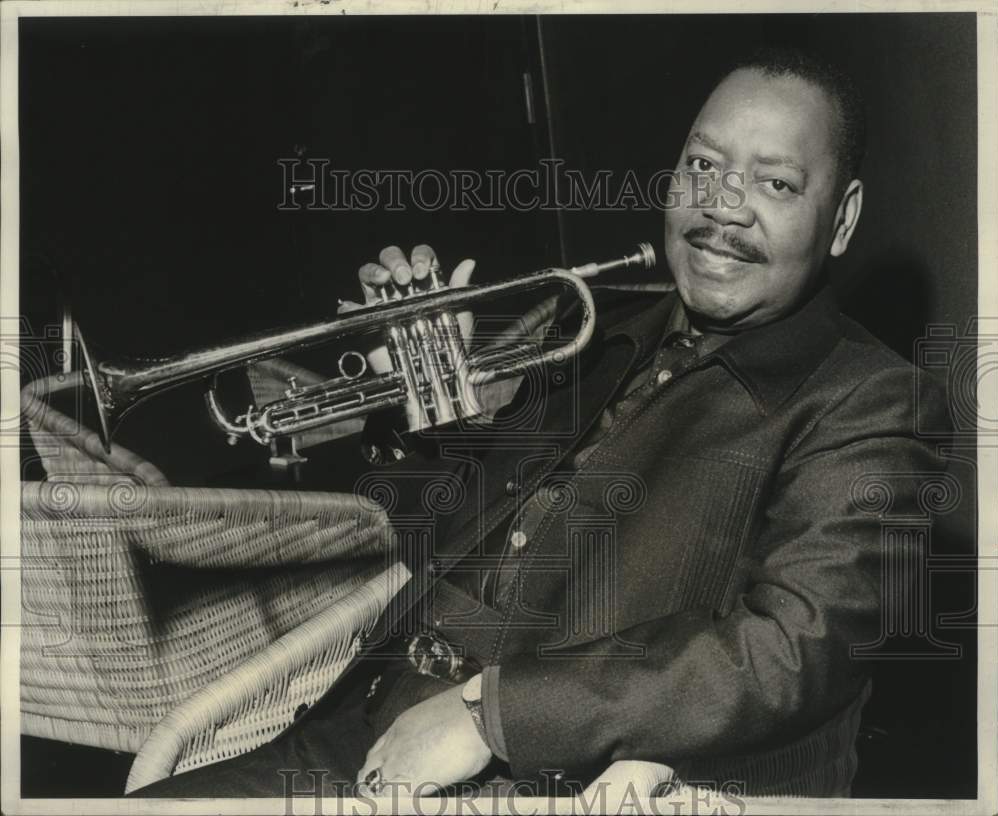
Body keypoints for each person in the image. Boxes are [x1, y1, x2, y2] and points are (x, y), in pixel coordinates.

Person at [133, 46, 947, 799]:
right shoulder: (598, 324)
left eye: (774, 184)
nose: (720, 209)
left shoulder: (871, 398)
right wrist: (430, 408)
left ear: (840, 219)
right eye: (703, 165)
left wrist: (494, 713)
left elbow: (790, 652)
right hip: (358, 720)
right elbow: (448, 530)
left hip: (532, 778)